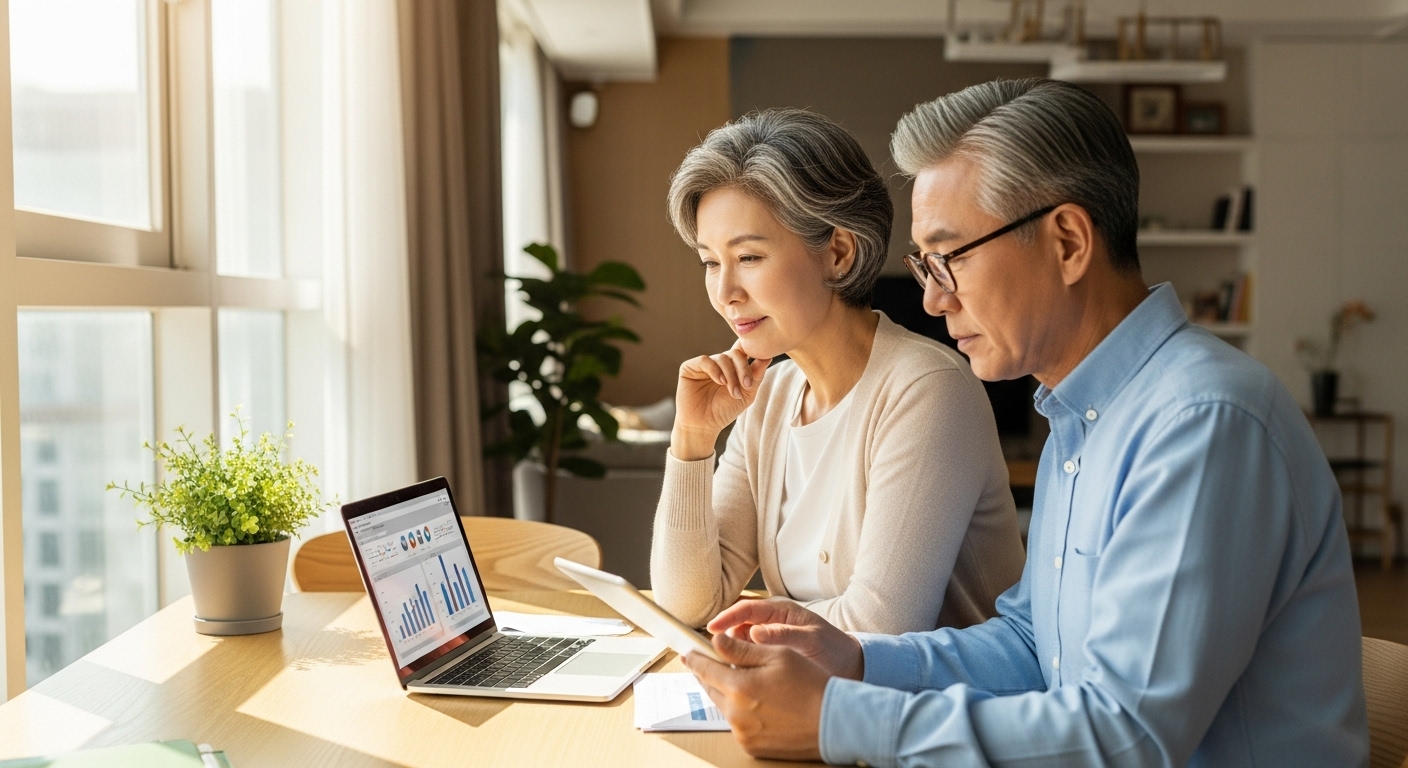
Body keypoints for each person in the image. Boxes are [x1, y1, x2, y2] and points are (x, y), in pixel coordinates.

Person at [682, 80, 1369, 766]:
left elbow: (1128, 735)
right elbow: (1036, 645)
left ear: (1068, 241)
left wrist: (840, 716)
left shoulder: (1203, 425)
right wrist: (855, 659)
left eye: (950, 257)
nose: (931, 296)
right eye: (925, 263)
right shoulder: (1082, 418)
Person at [650, 108, 1025, 635]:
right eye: (711, 262)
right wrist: (691, 440)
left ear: (839, 253)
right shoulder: (772, 396)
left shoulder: (925, 390)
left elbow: (879, 629)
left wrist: (731, 631)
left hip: (930, 709)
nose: (725, 292)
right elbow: (688, 605)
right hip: (818, 702)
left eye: (749, 257)